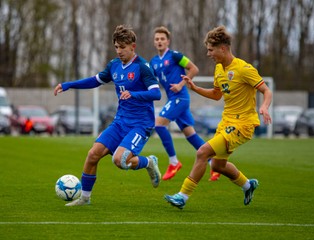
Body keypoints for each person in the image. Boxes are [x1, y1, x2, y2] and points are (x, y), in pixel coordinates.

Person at [164, 25, 272, 209]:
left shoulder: (244, 68)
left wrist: (263, 106)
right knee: (218, 166)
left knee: (202, 152)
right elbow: (216, 94)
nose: (208, 54)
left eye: (210, 50)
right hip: (227, 122)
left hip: (243, 124)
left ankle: (182, 196)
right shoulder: (219, 69)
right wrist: (195, 88)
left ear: (222, 48)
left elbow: (266, 90)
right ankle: (248, 185)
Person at [54, 25, 162, 206]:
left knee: (120, 161)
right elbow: (94, 81)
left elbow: (156, 94)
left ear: (132, 46)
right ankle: (85, 198)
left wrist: (133, 94)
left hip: (140, 124)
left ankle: (149, 162)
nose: (119, 51)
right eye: (116, 47)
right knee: (93, 154)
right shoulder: (114, 66)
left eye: (123, 47)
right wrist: (68, 84)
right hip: (120, 122)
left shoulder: (142, 67)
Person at [150, 26, 220, 181]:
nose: (159, 41)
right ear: (154, 42)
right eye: (157, 39)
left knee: (159, 124)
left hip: (180, 98)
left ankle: (174, 162)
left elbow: (194, 69)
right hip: (173, 100)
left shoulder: (175, 56)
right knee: (190, 134)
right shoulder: (154, 62)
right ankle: (214, 165)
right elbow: (150, 79)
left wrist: (180, 85)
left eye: (162, 39)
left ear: (168, 41)